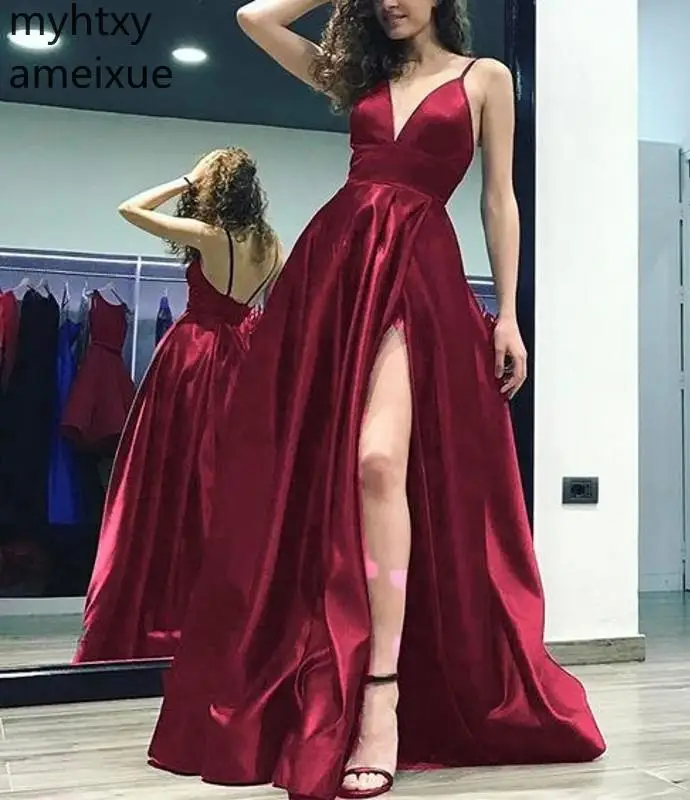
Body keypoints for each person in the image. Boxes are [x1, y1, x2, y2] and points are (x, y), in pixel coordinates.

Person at [147, 2, 606, 798]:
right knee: (311, 476)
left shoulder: (485, 78)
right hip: (336, 270)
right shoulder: (359, 75)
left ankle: (380, 695)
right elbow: (255, 18)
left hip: (417, 266)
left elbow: (499, 199)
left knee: (378, 461)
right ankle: (323, 668)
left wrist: (508, 314)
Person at [73, 148, 283, 663]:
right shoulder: (272, 243)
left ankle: (164, 606)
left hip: (193, 358)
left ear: (217, 185)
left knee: (169, 476)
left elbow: (130, 208)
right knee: (222, 483)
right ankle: (225, 615)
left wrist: (187, 179)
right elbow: (279, 311)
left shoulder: (211, 235)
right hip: (242, 362)